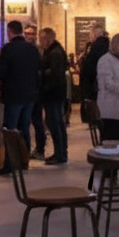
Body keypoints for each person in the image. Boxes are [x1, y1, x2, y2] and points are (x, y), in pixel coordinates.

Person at [0, 19, 41, 172]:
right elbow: (38, 71)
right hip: (29, 95)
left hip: (13, 95)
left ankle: (10, 164)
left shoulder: (8, 49)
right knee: (24, 129)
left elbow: (1, 73)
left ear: (10, 32)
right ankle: (24, 161)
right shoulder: (32, 49)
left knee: (10, 129)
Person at [38, 28, 69, 164]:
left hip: (53, 93)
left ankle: (60, 154)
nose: (40, 42)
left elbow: (55, 74)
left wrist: (43, 77)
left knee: (54, 123)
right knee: (57, 123)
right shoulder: (54, 51)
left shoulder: (55, 53)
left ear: (49, 38)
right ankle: (61, 152)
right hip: (56, 92)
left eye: (42, 39)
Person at [24, 24, 47, 160]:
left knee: (37, 121)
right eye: (26, 33)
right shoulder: (26, 49)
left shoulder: (39, 50)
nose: (29, 36)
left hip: (37, 90)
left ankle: (40, 149)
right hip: (30, 89)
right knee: (29, 122)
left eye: (31, 34)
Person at [79, 25, 109, 101]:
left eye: (90, 35)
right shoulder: (106, 45)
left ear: (94, 34)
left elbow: (90, 67)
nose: (89, 37)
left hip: (93, 86)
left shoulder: (97, 47)